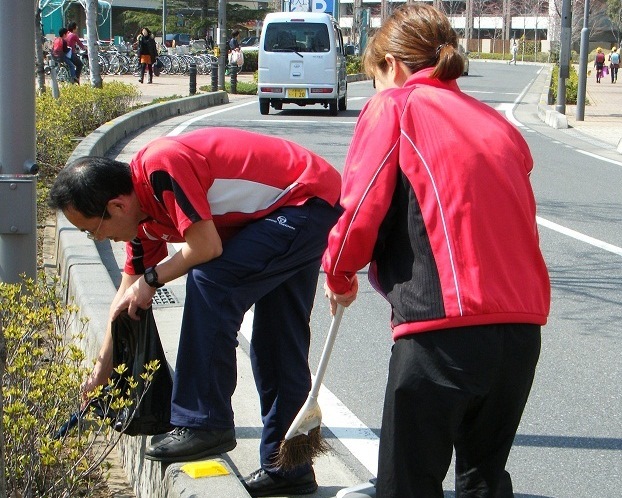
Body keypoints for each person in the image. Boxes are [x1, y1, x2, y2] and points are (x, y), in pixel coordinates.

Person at [322, 5, 550, 498]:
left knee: (408, 485)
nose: (375, 90)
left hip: (442, 335)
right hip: (520, 333)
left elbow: (359, 206)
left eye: (374, 77)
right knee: (482, 483)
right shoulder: (499, 125)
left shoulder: (397, 105)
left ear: (393, 65)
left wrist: (338, 273)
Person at [48, 128, 342, 497]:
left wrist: (152, 280)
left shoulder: (161, 166)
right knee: (277, 338)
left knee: (211, 283)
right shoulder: (144, 221)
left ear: (117, 206)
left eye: (94, 231)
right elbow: (124, 296)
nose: (101, 240)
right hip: (289, 210)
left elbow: (205, 246)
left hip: (306, 201)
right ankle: (289, 466)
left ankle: (204, 421)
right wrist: (101, 370)